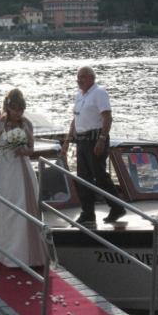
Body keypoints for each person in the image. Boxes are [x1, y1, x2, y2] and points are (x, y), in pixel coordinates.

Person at [0, 89, 46, 267]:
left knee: (23, 205)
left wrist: (23, 150)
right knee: (4, 206)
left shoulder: (27, 124)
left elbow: (31, 149)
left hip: (21, 168)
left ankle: (26, 252)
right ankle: (3, 250)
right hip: (4, 168)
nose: (19, 113)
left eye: (21, 109)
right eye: (15, 109)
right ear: (8, 108)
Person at [61, 66, 125, 225]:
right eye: (77, 77)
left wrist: (102, 139)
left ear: (91, 78)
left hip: (95, 138)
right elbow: (75, 120)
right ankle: (88, 212)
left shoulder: (99, 93)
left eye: (82, 77)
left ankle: (117, 207)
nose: (78, 80)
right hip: (82, 141)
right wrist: (67, 142)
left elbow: (107, 117)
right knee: (83, 178)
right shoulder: (79, 95)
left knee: (100, 175)